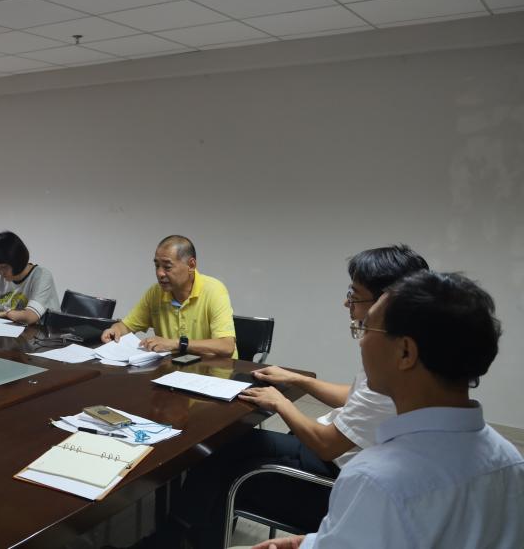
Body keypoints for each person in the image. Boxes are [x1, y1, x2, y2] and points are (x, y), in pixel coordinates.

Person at [173, 245, 429, 548]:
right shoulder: (407, 355)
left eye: (355, 295)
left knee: (219, 462)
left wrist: (281, 403)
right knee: (227, 448)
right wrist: (299, 380)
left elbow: (326, 445)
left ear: (387, 301)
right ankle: (181, 532)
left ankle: (178, 535)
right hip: (333, 456)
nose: (347, 303)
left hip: (329, 476)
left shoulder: (394, 369)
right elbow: (356, 396)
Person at [252, 270, 523, 549]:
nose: (361, 341)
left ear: (405, 352)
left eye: (367, 329)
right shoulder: (510, 459)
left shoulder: (376, 479)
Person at [101, 235, 235, 357]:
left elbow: (226, 346)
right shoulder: (155, 292)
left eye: (167, 267)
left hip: (215, 370)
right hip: (174, 368)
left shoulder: (214, 290)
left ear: (191, 265)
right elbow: (126, 326)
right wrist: (115, 330)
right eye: (157, 266)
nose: (160, 273)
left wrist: (176, 343)